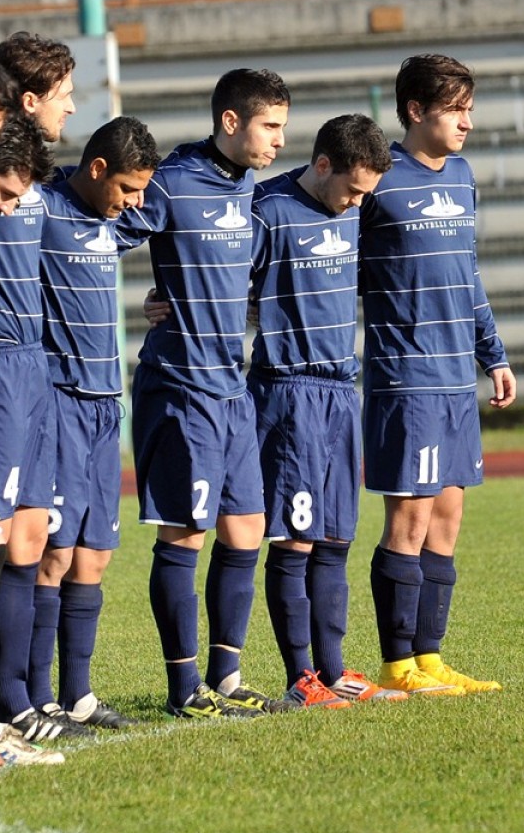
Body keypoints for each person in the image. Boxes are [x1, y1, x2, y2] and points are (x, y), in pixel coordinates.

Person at [119, 68, 297, 719]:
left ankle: (226, 679)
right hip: (181, 383)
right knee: (185, 533)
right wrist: (150, 296)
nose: (280, 140)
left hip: (233, 385)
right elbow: (105, 235)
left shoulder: (248, 185)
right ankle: (181, 688)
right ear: (231, 122)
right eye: (270, 126)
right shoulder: (169, 182)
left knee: (247, 528)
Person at [358, 54, 516, 698]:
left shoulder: (462, 175)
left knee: (447, 518)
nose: (466, 122)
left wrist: (494, 354)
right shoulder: (379, 180)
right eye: (454, 109)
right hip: (406, 377)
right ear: (416, 111)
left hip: (456, 378)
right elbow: (319, 243)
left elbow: (468, 274)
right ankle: (397, 665)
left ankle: (431, 659)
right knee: (411, 521)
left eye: (469, 109)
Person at [242, 114, 409, 707]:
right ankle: (300, 677)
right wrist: (163, 297)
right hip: (287, 392)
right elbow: (220, 277)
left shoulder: (354, 214)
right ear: (321, 166)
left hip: (342, 390)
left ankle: (334, 671)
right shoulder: (267, 209)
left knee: (337, 535)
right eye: (353, 189)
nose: (358, 202)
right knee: (295, 538)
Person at [26, 116, 160, 729]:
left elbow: (171, 203)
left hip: (109, 404)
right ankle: (35, 696)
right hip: (58, 403)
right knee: (52, 554)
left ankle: (78, 694)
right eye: (129, 190)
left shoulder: (112, 221)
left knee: (94, 556)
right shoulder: (43, 209)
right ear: (98, 170)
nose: (136, 205)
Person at [0, 32, 84, 741]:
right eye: (65, 93)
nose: (73, 107)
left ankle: (23, 697)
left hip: (39, 368)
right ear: (31, 98)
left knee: (36, 535)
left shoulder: (42, 182)